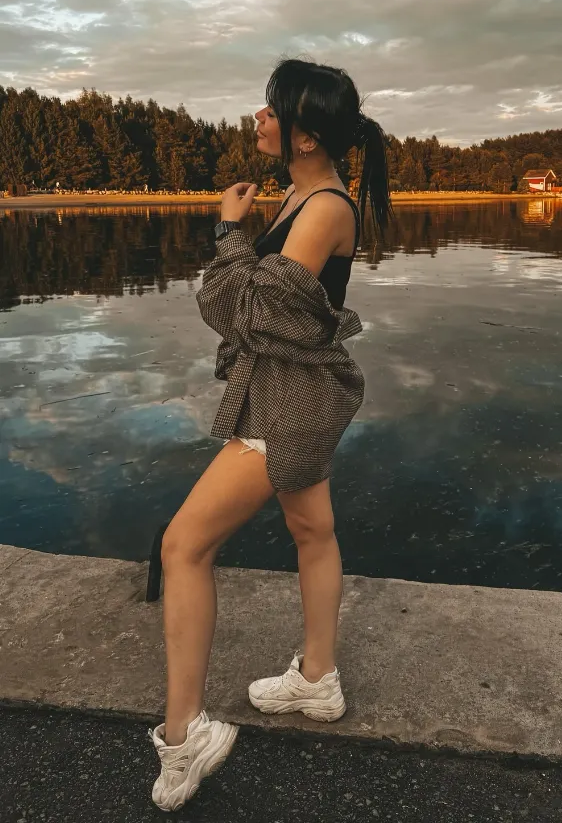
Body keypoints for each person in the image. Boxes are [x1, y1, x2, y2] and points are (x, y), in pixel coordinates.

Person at [149, 57, 392, 812]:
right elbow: (254, 306)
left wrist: (228, 231)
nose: (256, 119)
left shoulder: (324, 208)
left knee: (183, 546)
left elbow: (251, 312)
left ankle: (185, 735)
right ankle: (317, 680)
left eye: (268, 110)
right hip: (292, 388)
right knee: (311, 529)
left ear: (307, 133)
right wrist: (244, 235)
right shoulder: (302, 194)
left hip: (285, 401)